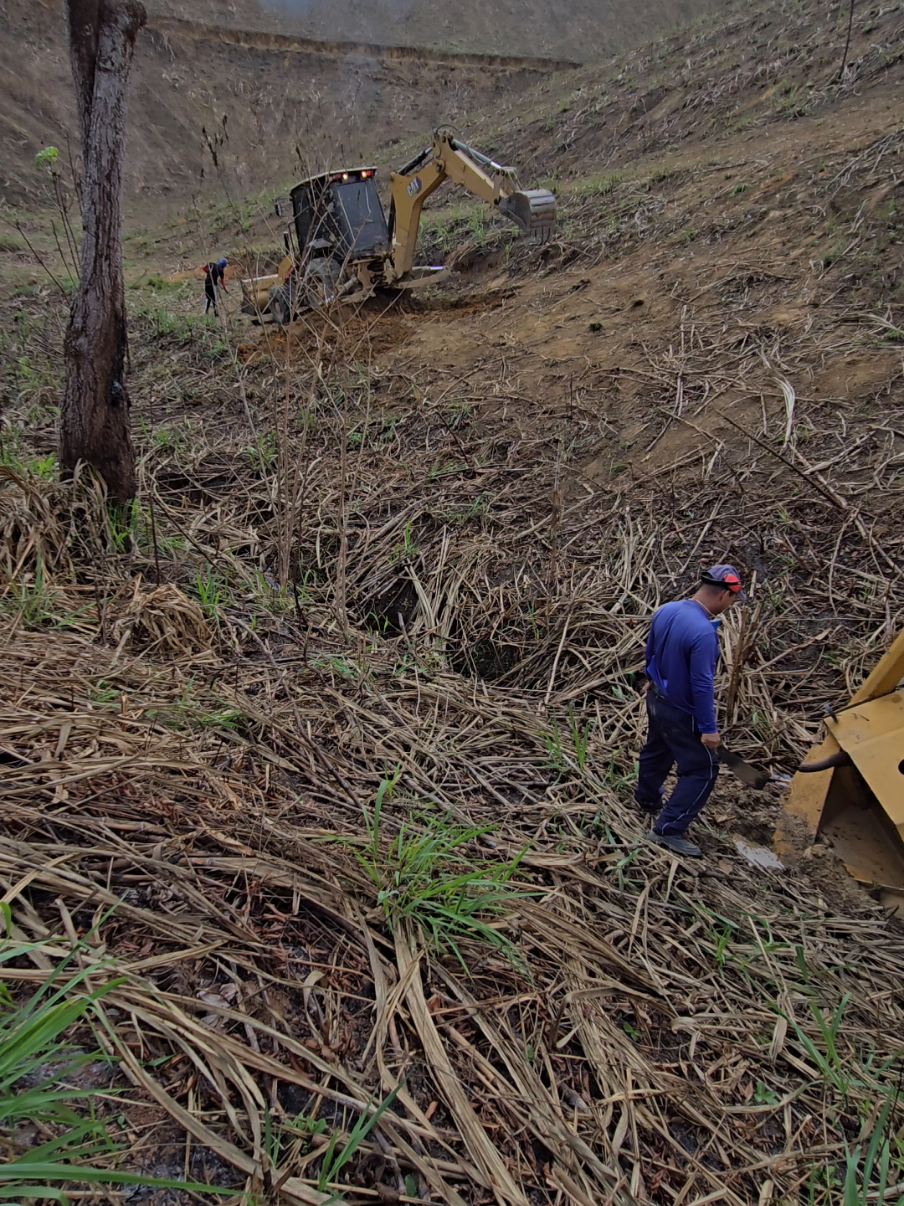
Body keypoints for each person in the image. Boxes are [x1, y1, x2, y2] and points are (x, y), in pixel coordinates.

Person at [635, 564, 747, 857]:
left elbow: (651, 648)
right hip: (680, 710)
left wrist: (650, 678)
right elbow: (701, 684)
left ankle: (646, 799)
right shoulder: (703, 633)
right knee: (702, 770)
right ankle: (667, 830)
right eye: (734, 600)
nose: (731, 605)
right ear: (724, 595)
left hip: (657, 699)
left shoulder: (666, 609)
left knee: (656, 750)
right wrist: (709, 729)